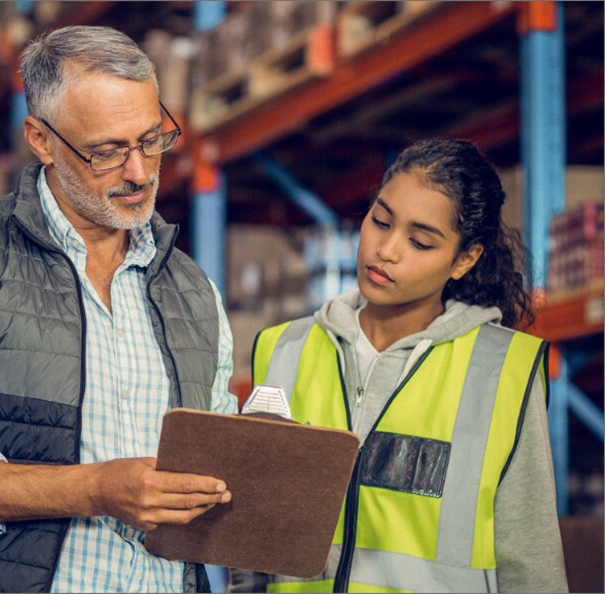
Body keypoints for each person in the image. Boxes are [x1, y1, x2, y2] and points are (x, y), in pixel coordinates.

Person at [0, 25, 237, 593]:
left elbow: (213, 477)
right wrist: (92, 489)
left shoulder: (193, 291)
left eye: (151, 139)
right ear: (40, 139)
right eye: (107, 151)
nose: (139, 172)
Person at [230, 139, 568, 593]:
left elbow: (531, 563)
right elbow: (248, 543)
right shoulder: (284, 348)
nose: (386, 250)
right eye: (380, 220)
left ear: (465, 259)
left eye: (420, 241)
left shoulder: (501, 370)